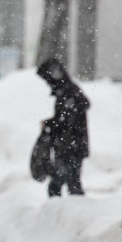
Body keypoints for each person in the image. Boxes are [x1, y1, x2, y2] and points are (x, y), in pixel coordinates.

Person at [36, 58, 90, 197]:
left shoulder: (68, 93)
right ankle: (72, 213)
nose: (47, 83)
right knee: (72, 183)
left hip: (70, 147)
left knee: (61, 185)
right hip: (71, 146)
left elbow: (66, 121)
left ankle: (64, 214)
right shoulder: (68, 91)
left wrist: (49, 124)